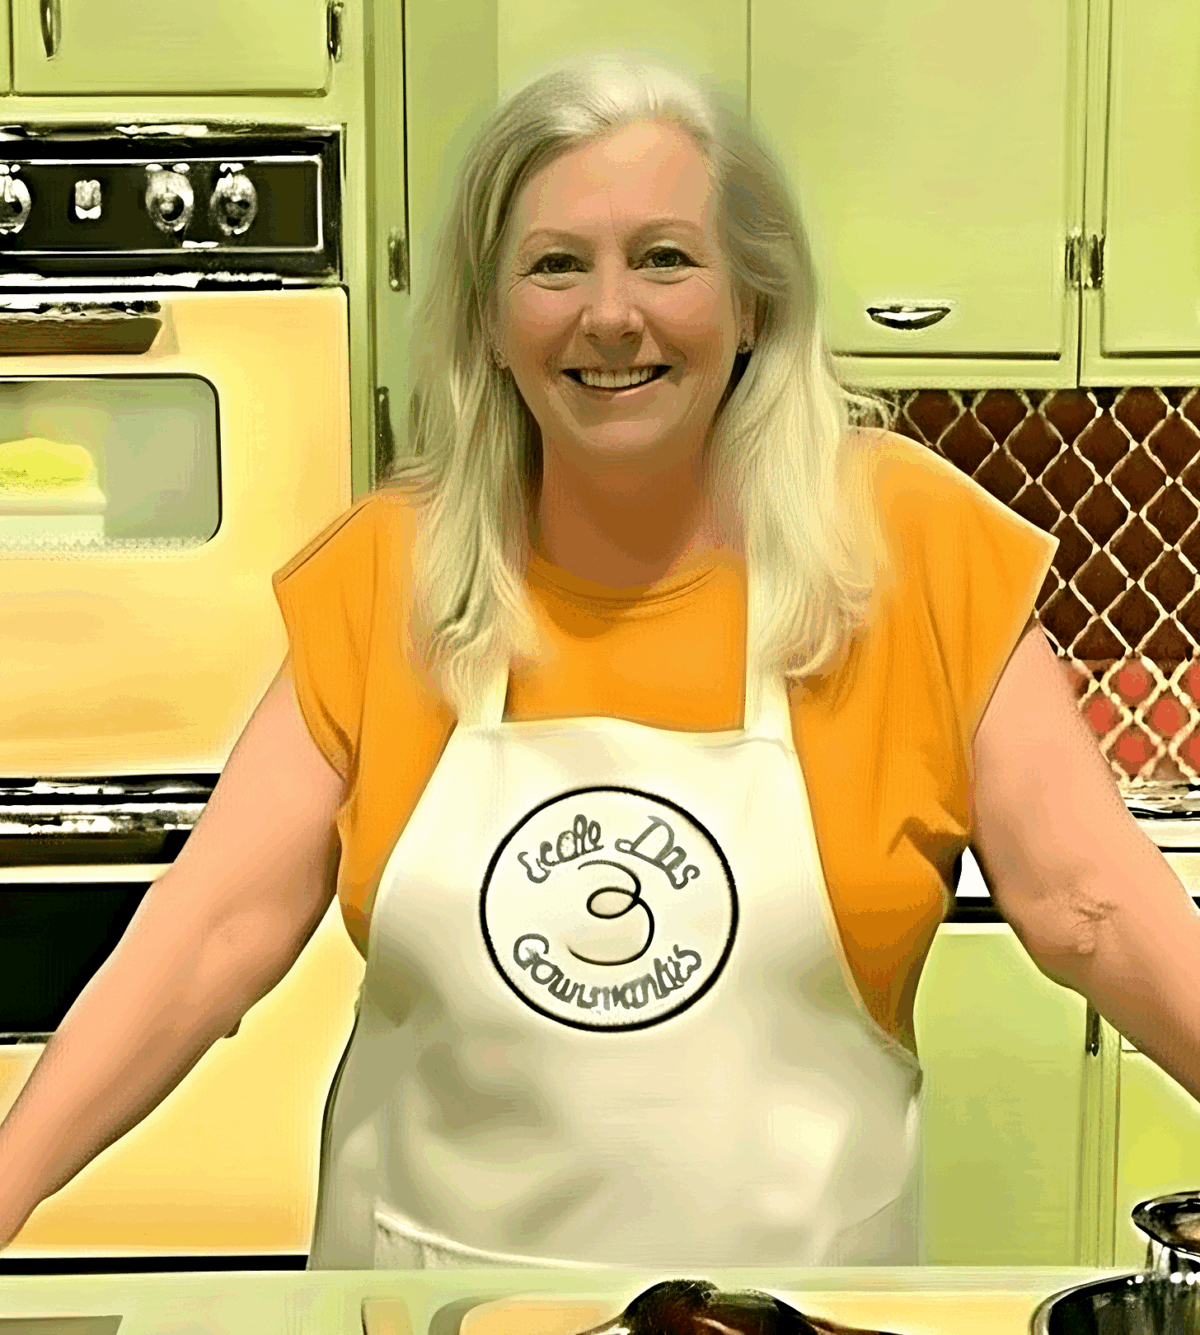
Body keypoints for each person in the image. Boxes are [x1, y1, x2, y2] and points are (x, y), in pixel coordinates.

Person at [2, 53, 1200, 1271]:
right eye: (555, 264)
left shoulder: (908, 551)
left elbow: (1088, 906)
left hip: (791, 1314)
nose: (611, 314)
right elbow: (204, 937)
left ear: (754, 303)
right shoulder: (396, 571)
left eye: (667, 258)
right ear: (490, 315)